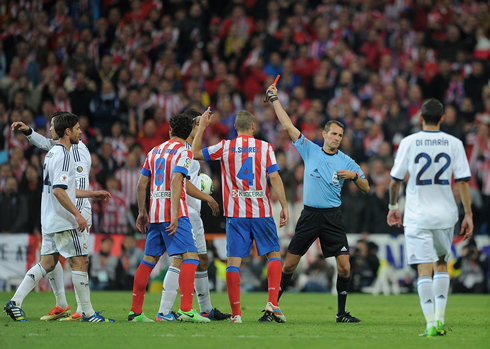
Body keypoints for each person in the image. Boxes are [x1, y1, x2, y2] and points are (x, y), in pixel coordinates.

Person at [266, 84, 370, 323]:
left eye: (340, 135)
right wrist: (274, 100)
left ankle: (341, 313)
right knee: (290, 264)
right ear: (324, 134)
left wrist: (353, 177)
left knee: (345, 267)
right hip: (310, 215)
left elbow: (367, 187)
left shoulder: (348, 161)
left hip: (333, 217)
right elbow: (287, 125)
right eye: (333, 133)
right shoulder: (310, 150)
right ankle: (272, 309)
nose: (337, 138)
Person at [4, 112, 115, 323]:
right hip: (65, 216)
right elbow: (60, 190)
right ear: (68, 131)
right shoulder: (66, 154)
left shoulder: (54, 153)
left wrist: (93, 194)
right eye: (77, 129)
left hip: (49, 217)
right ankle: (87, 313)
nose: (81, 132)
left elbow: (66, 187)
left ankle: (15, 302)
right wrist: (77, 214)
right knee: (80, 261)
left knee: (47, 262)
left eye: (52, 125)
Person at [192, 107, 289, 324]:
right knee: (273, 255)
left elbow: (196, 153)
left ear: (235, 127)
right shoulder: (265, 147)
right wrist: (284, 205)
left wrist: (202, 128)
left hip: (236, 215)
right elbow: (274, 177)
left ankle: (236, 315)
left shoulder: (226, 146)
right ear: (253, 127)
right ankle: (272, 302)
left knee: (233, 262)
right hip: (261, 212)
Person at [387, 99, 473, 337]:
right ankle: (441, 318)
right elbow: (463, 181)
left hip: (417, 215)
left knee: (423, 269)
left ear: (420, 118)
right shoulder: (454, 143)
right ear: (443, 118)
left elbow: (395, 180)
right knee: (441, 263)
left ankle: (429, 324)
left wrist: (393, 205)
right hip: (446, 216)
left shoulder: (409, 142)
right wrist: (468, 214)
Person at [128, 113, 210, 323]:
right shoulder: (185, 152)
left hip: (154, 212)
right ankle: (186, 310)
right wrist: (174, 213)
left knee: (148, 261)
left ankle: (135, 312)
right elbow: (176, 179)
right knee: (191, 257)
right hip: (174, 213)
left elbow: (140, 185)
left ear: (170, 130)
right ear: (189, 131)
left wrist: (142, 211)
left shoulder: (154, 151)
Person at [156, 109, 230, 322]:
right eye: (198, 124)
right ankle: (166, 310)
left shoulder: (187, 149)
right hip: (184, 211)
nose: (201, 128)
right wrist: (207, 198)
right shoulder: (184, 150)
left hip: (192, 212)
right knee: (182, 259)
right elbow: (183, 181)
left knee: (201, 259)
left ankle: (205, 309)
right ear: (190, 126)